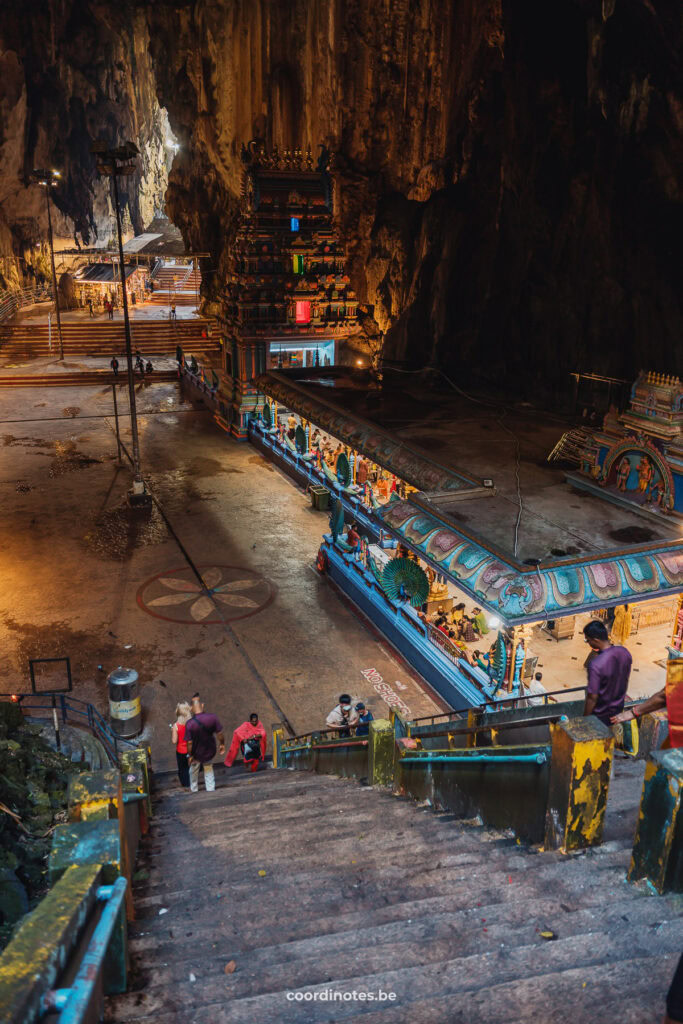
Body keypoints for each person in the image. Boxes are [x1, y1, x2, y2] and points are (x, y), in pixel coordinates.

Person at [582, 619, 632, 726]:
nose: (588, 643)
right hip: (618, 712)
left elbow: (592, 698)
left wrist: (584, 720)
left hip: (600, 717)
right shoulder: (624, 652)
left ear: (595, 640)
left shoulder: (596, 665)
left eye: (588, 640)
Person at [185, 693, 225, 793]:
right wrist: (222, 744)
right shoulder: (212, 717)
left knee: (193, 771)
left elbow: (189, 743)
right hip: (209, 751)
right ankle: (211, 790)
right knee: (208, 770)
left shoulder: (190, 724)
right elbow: (219, 733)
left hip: (196, 753)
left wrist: (190, 755)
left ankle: (194, 790)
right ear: (202, 705)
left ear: (191, 708)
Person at [171, 701, 191, 789]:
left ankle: (185, 784)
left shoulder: (176, 726)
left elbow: (174, 741)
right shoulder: (191, 724)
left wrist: (172, 731)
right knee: (189, 766)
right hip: (190, 750)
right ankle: (192, 781)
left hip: (181, 751)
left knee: (182, 768)